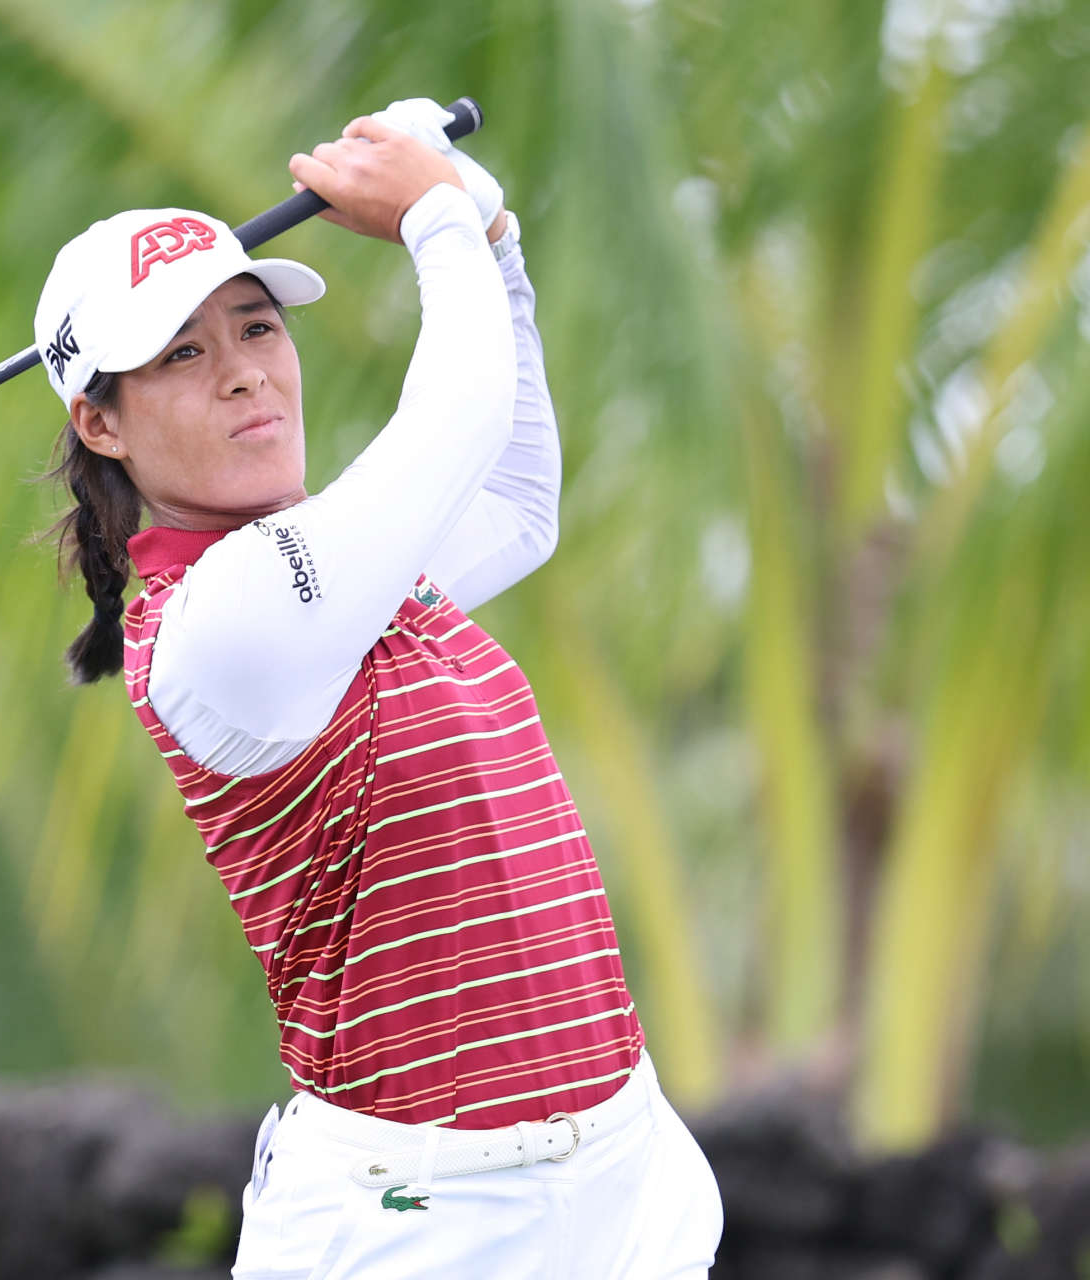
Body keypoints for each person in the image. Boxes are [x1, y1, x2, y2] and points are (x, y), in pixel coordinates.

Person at [35, 99, 725, 1279]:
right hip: (420, 1226)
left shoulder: (351, 580)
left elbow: (515, 498)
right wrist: (438, 217)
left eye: (256, 329)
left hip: (624, 1179)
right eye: (184, 355)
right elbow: (453, 421)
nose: (246, 376)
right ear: (100, 421)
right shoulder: (220, 628)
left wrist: (491, 239)